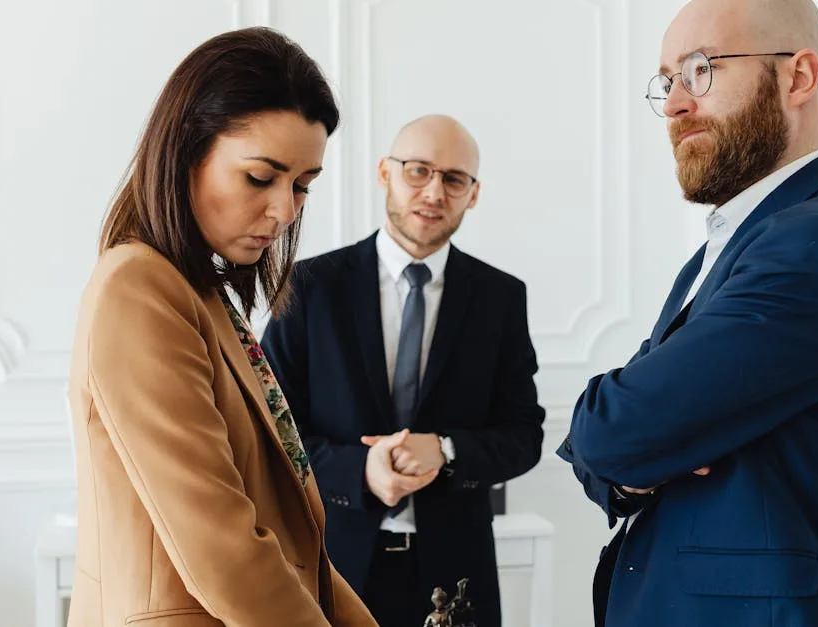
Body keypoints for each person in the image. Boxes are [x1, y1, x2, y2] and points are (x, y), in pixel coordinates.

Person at [557, 0, 818, 625]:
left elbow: (609, 430)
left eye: (700, 69)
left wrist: (631, 445)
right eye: (668, 81)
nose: (674, 104)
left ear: (797, 77)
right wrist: (636, 458)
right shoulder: (733, 244)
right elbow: (620, 448)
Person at [66, 27, 376, 627]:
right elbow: (224, 550)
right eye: (261, 177)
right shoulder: (140, 288)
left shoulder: (200, 291)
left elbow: (291, 546)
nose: (285, 211)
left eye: (303, 186)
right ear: (186, 151)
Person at [261, 114, 545, 627]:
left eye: (454, 179)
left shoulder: (500, 298)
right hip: (332, 565)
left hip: (457, 577)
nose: (434, 191)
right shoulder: (308, 286)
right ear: (385, 173)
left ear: (473, 194)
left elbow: (524, 435)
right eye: (418, 170)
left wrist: (447, 449)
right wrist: (358, 470)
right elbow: (269, 432)